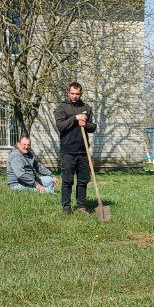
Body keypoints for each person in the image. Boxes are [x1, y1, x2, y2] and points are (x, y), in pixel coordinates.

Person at [52, 83, 97, 215]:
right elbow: (60, 126)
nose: (75, 96)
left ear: (81, 94)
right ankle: (66, 207)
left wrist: (86, 124)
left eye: (77, 94)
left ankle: (81, 206)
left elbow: (93, 127)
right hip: (68, 151)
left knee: (83, 180)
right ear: (68, 92)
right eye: (72, 93)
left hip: (83, 151)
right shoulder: (62, 108)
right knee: (68, 181)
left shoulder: (86, 108)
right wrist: (75, 118)